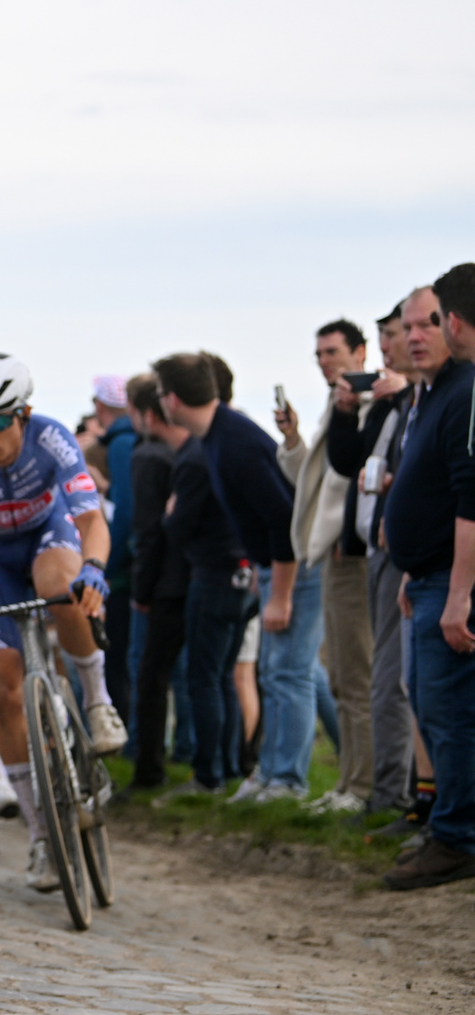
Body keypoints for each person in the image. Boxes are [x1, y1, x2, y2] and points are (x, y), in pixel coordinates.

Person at [0, 355, 126, 893]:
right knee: (2, 691)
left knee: (61, 586)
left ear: (24, 414)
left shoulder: (53, 440)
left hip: (47, 536)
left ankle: (98, 702)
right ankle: (41, 837)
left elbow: (90, 521)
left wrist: (96, 569)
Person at [155, 351, 314, 803]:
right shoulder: (218, 435)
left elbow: (284, 518)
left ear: (171, 399)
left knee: (283, 675)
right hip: (260, 569)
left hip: (280, 568)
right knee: (253, 673)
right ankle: (259, 773)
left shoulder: (232, 442)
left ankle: (279, 780)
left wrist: (279, 593)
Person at [378, 263, 475, 889]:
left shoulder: (465, 390)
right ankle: (446, 825)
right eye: (408, 326)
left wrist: (458, 589)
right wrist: (415, 573)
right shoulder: (433, 392)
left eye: (430, 323)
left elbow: (470, 496)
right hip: (428, 576)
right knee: (431, 705)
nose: (417, 335)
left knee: (448, 711)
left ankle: (458, 837)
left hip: (451, 580)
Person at [333, 294, 438, 825]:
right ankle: (403, 793)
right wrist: (345, 413)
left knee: (400, 678)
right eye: (396, 335)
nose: (394, 348)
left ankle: (404, 795)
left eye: (405, 333)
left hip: (412, 554)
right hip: (381, 548)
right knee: (389, 677)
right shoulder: (397, 402)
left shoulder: (429, 396)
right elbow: (352, 463)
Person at [277, 318, 374, 815]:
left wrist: (349, 537)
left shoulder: (370, 402)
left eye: (333, 352)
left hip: (352, 555)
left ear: (361, 352)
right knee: (339, 675)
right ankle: (349, 783)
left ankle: (363, 787)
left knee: (357, 675)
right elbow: (315, 485)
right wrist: (293, 440)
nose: (324, 361)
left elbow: (358, 482)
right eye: (319, 354)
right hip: (335, 554)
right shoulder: (336, 406)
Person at [122, 373, 189, 795]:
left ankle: (149, 769)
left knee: (150, 677)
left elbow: (146, 530)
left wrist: (140, 591)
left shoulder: (147, 456)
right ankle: (209, 762)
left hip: (164, 584)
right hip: (191, 575)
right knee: (201, 675)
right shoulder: (182, 452)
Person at [92, 375, 137, 749]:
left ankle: (131, 741)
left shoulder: (120, 445)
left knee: (120, 660)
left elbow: (125, 512)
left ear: (99, 406)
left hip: (123, 573)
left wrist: (104, 566)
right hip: (130, 568)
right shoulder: (129, 441)